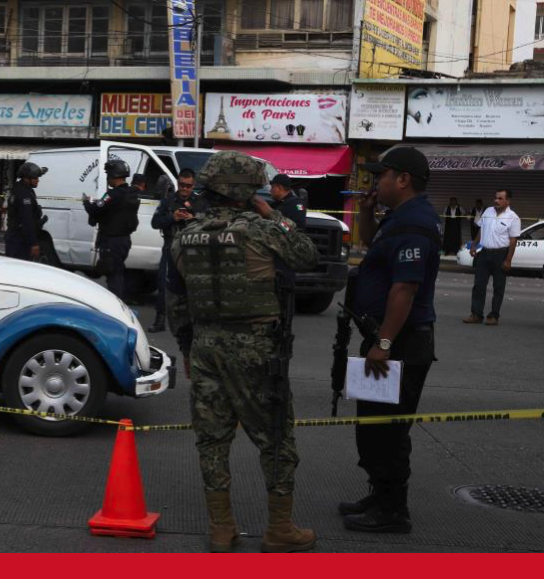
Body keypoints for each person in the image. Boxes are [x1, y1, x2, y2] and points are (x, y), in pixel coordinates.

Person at [171, 151, 319, 553]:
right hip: (255, 347)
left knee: (212, 440)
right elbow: (307, 254)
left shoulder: (185, 235)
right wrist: (272, 215)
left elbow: (177, 300)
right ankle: (279, 527)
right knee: (275, 437)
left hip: (205, 346)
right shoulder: (261, 228)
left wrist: (186, 348)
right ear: (245, 191)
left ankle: (221, 528)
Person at [341, 146, 441, 534]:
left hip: (399, 343)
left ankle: (393, 510)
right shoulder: (398, 218)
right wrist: (366, 212)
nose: (375, 181)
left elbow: (405, 288)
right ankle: (378, 494)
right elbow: (371, 248)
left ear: (403, 179)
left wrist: (382, 344)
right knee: (372, 425)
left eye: (381, 175)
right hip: (387, 339)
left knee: (389, 430)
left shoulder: (415, 222)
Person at [148, 168, 207, 333]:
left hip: (193, 250)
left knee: (194, 285)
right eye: (182, 185)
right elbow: (155, 222)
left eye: (188, 186)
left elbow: (210, 223)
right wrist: (172, 218)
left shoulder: (200, 202)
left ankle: (193, 322)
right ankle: (160, 319)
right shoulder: (169, 200)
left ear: (193, 185)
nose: (185, 189)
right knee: (163, 284)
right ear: (178, 183)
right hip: (171, 248)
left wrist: (193, 219)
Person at [83, 159, 140, 300]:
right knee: (118, 272)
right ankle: (120, 302)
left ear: (114, 175)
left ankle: (116, 307)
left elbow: (96, 209)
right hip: (124, 241)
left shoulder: (112, 195)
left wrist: (86, 202)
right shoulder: (131, 192)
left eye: (108, 174)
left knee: (113, 276)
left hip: (111, 242)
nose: (107, 177)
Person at [464, 189, 521, 326]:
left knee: (498, 287)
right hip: (484, 253)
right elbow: (481, 230)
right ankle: (476, 314)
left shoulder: (513, 218)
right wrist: (474, 245)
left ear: (508, 201)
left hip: (500, 255)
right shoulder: (488, 211)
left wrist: (508, 260)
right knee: (478, 285)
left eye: (500, 198)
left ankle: (493, 315)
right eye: (496, 198)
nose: (496, 201)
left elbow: (513, 241)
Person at [268, 174, 309, 290]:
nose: (270, 191)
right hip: (275, 254)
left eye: (272, 187)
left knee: (284, 290)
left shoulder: (295, 204)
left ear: (279, 188)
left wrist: (274, 218)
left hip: (286, 255)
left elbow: (294, 231)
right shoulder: (279, 204)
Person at [5, 162, 47, 261]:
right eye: (35, 178)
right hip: (20, 242)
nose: (38, 180)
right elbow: (27, 221)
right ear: (26, 178)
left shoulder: (21, 189)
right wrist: (34, 244)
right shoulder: (24, 194)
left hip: (17, 239)